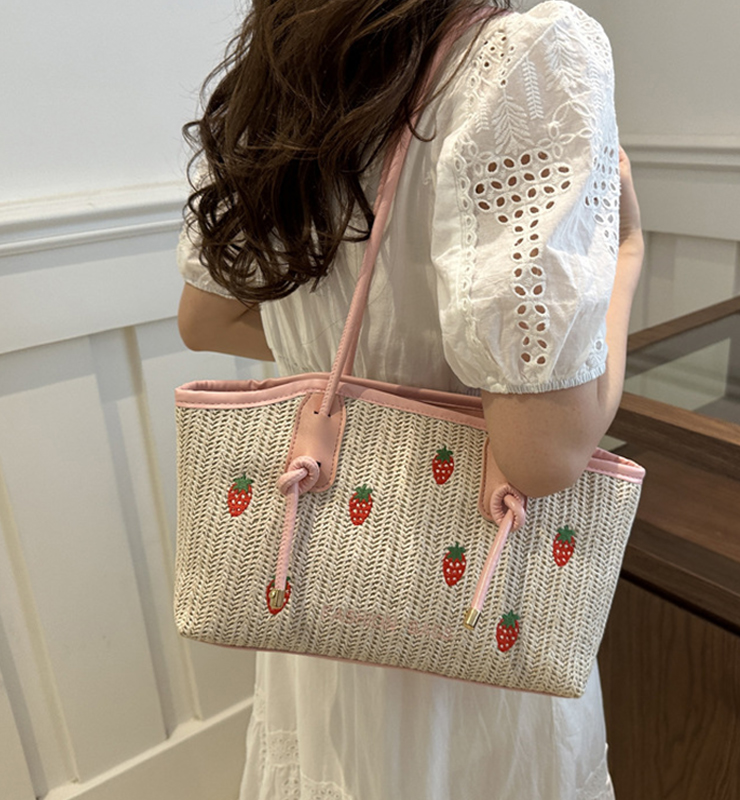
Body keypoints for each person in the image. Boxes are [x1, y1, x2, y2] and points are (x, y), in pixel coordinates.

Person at [176, 0, 644, 797]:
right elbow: (542, 454)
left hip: (311, 578)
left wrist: (356, 361)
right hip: (474, 635)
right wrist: (628, 254)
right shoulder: (523, 55)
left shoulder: (288, 62)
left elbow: (208, 318)